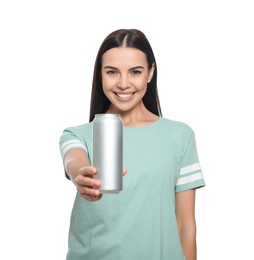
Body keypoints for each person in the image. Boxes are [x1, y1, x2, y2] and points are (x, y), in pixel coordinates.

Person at [59, 29, 205, 260]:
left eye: (135, 72)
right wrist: (82, 177)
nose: (124, 84)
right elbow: (74, 160)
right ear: (100, 75)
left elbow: (186, 226)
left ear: (150, 73)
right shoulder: (77, 135)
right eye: (112, 72)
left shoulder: (180, 136)